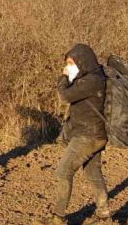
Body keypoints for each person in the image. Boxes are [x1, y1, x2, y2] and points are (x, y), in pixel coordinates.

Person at [36, 44, 112, 225]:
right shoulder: (92, 78)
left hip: (88, 135)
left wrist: (63, 77)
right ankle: (104, 214)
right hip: (94, 134)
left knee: (63, 172)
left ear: (82, 61)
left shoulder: (91, 81)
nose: (69, 67)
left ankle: (58, 218)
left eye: (71, 63)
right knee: (93, 172)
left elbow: (64, 96)